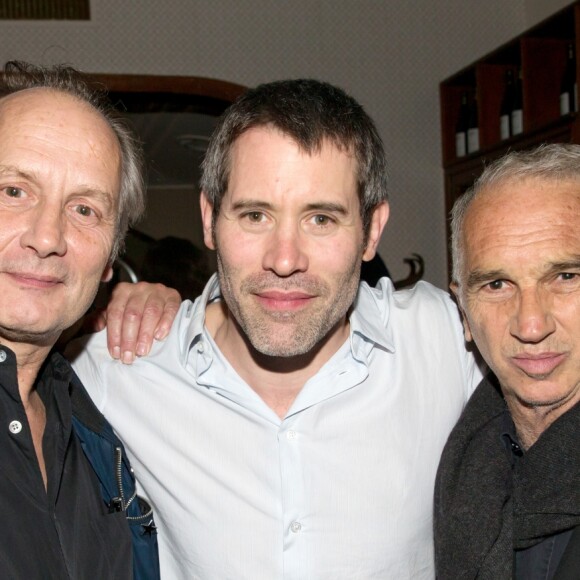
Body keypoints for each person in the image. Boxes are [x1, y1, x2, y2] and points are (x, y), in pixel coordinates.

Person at [70, 79, 482, 579]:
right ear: (209, 218)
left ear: (372, 230)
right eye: (255, 215)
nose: (284, 259)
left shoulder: (444, 341)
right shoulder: (118, 366)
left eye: (321, 219)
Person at [0, 60, 173, 578]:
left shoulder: (99, 433)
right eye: (13, 191)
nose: (48, 237)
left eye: (84, 210)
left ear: (109, 260)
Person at [434, 144, 580, 579]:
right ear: (463, 312)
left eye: (566, 277)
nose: (531, 324)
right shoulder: (468, 468)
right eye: (497, 284)